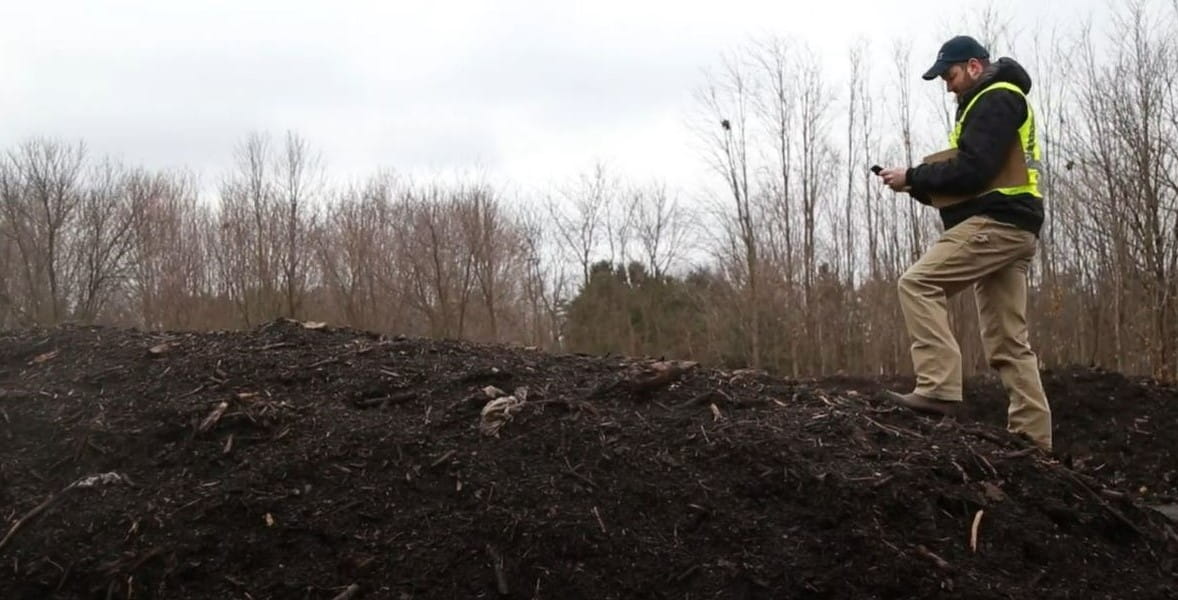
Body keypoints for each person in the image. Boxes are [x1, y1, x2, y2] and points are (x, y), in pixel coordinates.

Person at [876, 35, 1052, 451]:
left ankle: (938, 387)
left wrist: (915, 176)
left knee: (918, 284)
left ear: (974, 66)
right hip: (1013, 224)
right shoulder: (991, 102)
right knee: (1009, 342)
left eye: (950, 75)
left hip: (998, 223)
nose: (948, 85)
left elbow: (973, 171)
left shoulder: (996, 98)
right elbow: (975, 177)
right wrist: (910, 184)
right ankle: (1033, 442)